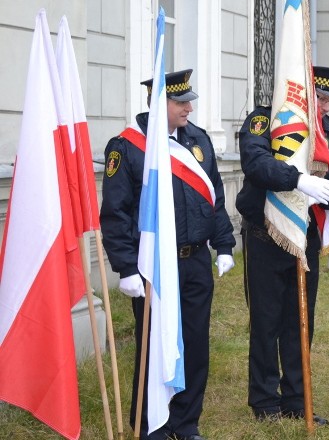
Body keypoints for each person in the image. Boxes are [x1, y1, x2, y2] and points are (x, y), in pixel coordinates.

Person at [101, 69, 236, 440]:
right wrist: (126, 267)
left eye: (189, 101)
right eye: (180, 102)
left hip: (194, 261)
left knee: (194, 343)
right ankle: (150, 424)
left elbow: (215, 199)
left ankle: (186, 422)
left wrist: (223, 244)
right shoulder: (127, 146)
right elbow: (116, 212)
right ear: (158, 102)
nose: (188, 108)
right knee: (154, 345)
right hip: (153, 265)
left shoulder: (199, 141)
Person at [235, 65, 329, 425]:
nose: (325, 107)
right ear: (302, 93)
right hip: (265, 237)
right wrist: (299, 180)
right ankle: (264, 401)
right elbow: (257, 164)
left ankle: (295, 399)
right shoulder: (267, 121)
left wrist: (326, 193)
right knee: (266, 321)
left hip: (305, 238)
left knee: (301, 321)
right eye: (319, 98)